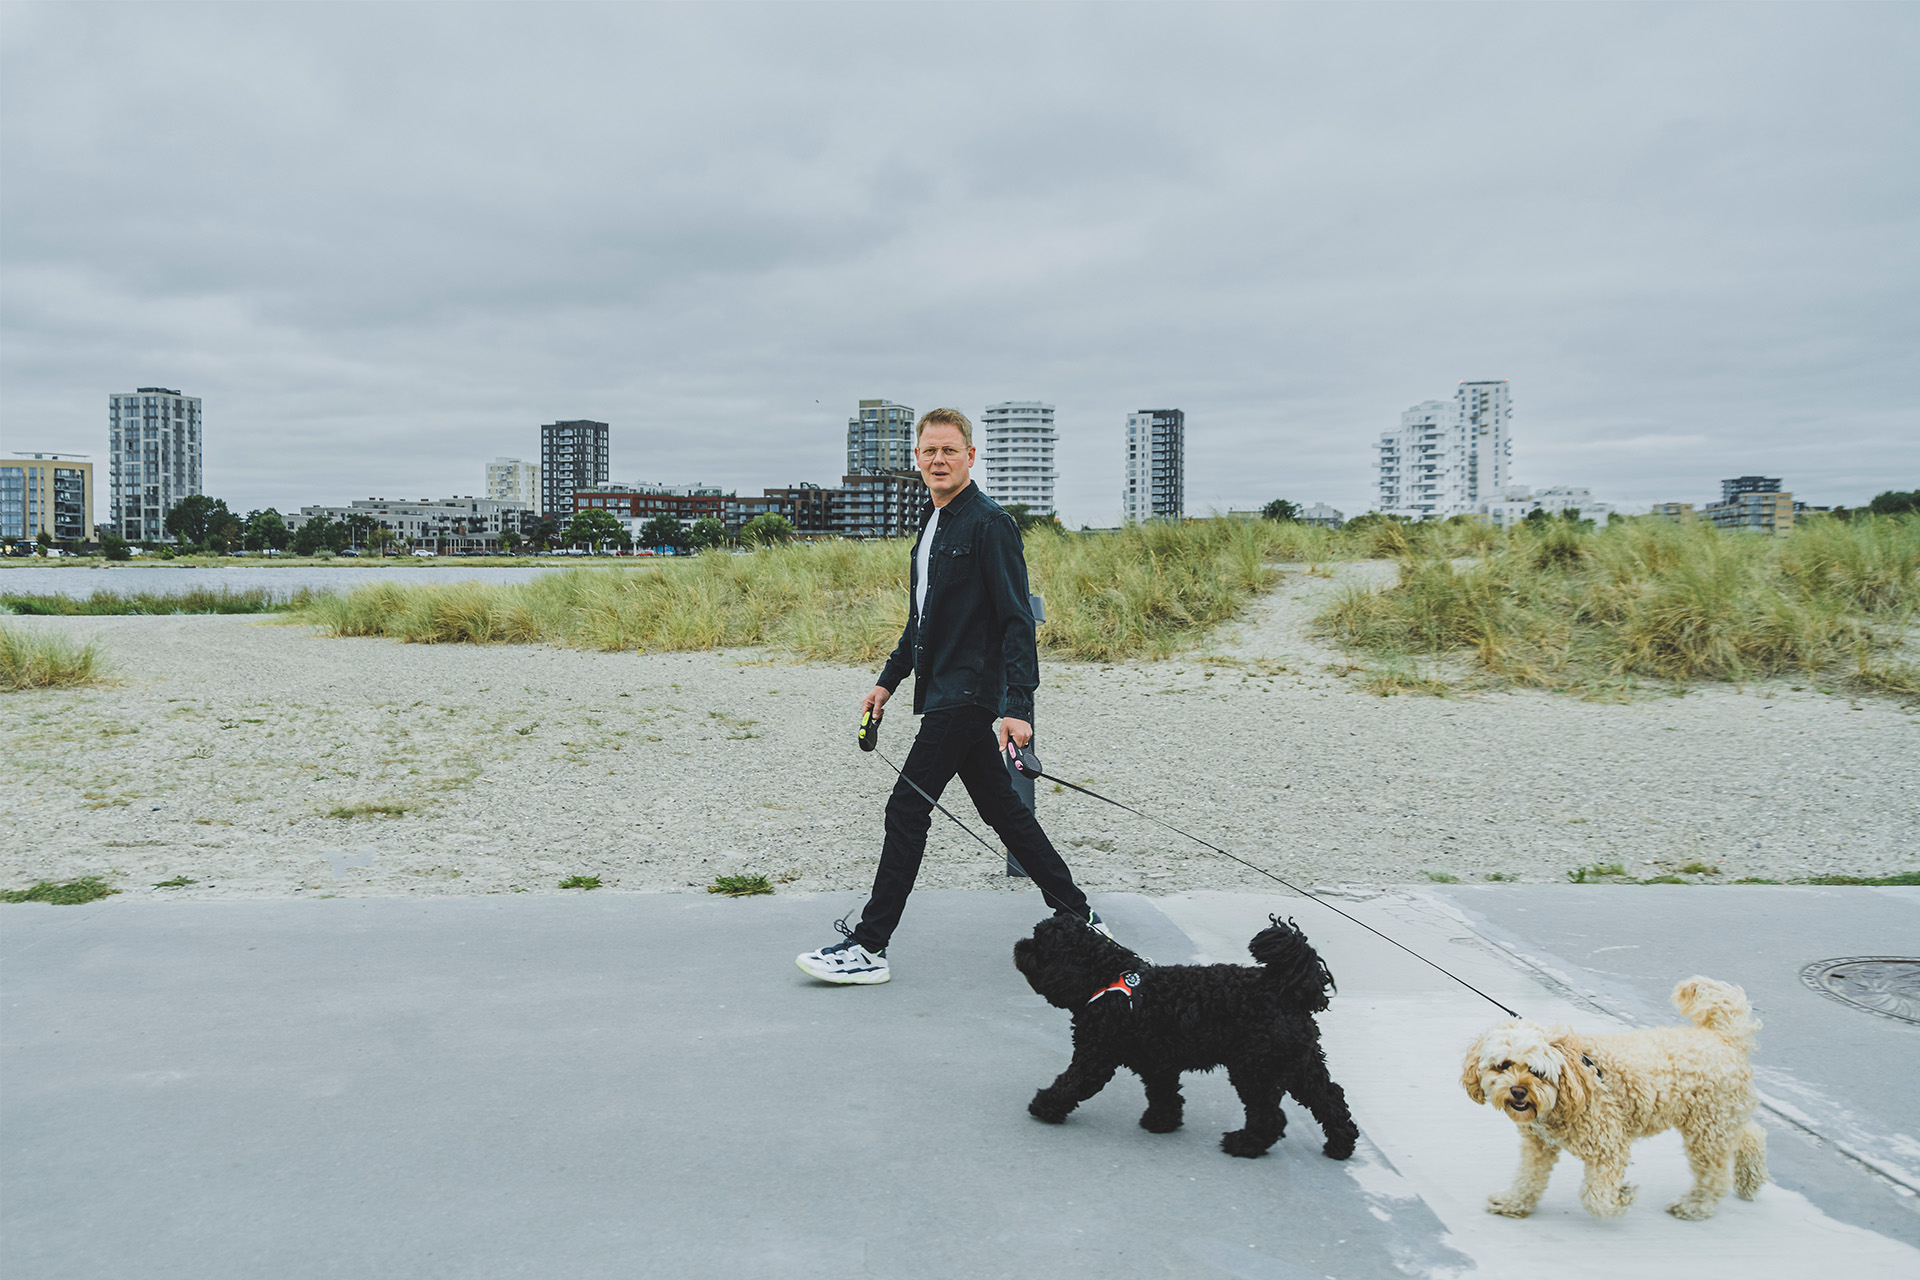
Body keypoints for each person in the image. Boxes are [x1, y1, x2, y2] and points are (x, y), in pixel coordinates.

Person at [797, 408, 1109, 986]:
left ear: (971, 457)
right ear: (917, 460)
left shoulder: (991, 524)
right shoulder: (932, 522)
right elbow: (920, 624)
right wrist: (887, 681)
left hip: (967, 696)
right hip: (940, 690)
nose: (938, 461)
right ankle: (1082, 919)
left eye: (949, 451)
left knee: (906, 808)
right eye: (928, 452)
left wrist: (1019, 706)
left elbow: (1017, 620)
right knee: (1004, 813)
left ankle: (869, 946)